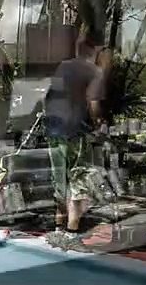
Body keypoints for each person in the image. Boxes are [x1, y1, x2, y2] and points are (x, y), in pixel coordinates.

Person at [44, 33, 106, 251]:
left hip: (54, 130)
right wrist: (99, 123)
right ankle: (72, 232)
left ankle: (58, 228)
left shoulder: (62, 67)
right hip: (75, 131)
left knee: (59, 180)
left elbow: (50, 96)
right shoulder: (95, 71)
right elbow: (93, 102)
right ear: (95, 51)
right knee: (78, 179)